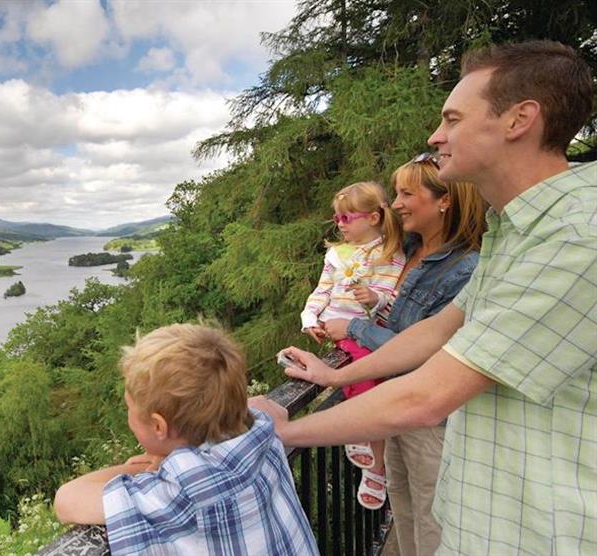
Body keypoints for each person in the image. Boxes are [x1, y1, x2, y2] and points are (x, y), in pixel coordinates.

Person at [250, 40, 595, 555]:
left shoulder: (577, 236)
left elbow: (428, 393)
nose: (437, 136)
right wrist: (336, 375)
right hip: (491, 519)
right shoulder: (518, 233)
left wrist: (284, 432)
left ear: (519, 119)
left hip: (542, 533)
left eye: (453, 119)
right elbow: (440, 329)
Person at [290, 156, 486, 555]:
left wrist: (354, 330)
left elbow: (422, 348)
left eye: (407, 194)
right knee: (405, 505)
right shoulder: (405, 248)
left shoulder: (463, 267)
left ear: (444, 200)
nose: (395, 204)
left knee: (434, 520)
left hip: (430, 415)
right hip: (393, 400)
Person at [54, 323, 319, 556]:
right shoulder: (261, 432)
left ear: (159, 426)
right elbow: (257, 407)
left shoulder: (180, 491)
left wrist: (143, 469)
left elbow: (66, 500)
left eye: (129, 407)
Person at [299, 180, 405, 510]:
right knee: (364, 377)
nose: (340, 224)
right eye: (337, 219)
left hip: (367, 331)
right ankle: (375, 463)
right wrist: (310, 318)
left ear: (373, 217)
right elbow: (322, 290)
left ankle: (369, 451)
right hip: (340, 333)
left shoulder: (391, 255)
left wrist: (374, 300)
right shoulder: (335, 256)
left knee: (370, 382)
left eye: (346, 218)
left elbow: (392, 303)